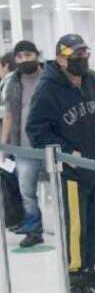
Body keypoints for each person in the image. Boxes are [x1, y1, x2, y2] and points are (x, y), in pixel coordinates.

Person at [27, 34, 95, 293]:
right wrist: (67, 152)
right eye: (76, 55)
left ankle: (89, 270)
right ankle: (74, 277)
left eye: (85, 53)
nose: (82, 59)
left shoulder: (93, 81)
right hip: (70, 172)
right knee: (75, 227)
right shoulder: (47, 90)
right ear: (61, 59)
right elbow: (36, 130)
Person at [1, 41, 45, 247]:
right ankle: (34, 230)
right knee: (27, 191)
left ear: (36, 55)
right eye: (19, 57)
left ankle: (68, 228)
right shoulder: (13, 82)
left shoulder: (50, 78)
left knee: (62, 189)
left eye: (28, 55)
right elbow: (9, 115)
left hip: (52, 145)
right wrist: (4, 146)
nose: (24, 60)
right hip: (23, 147)